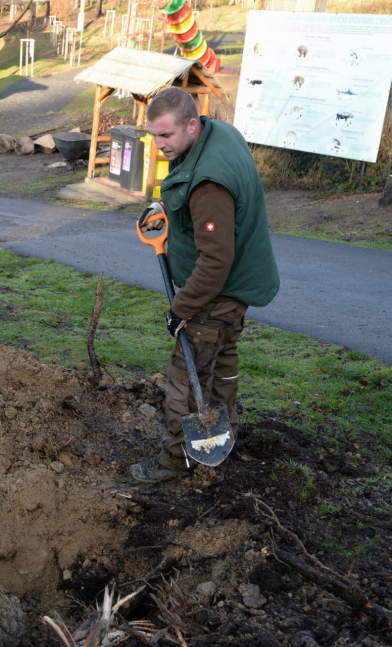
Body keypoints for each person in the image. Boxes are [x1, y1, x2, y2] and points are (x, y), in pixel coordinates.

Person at [130, 88, 279, 484]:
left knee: (186, 372)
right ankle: (223, 431)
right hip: (241, 285)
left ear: (191, 125)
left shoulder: (208, 183)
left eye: (166, 136)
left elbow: (215, 260)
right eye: (154, 136)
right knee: (224, 359)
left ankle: (177, 459)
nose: (159, 145)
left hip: (218, 291)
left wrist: (181, 309)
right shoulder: (220, 134)